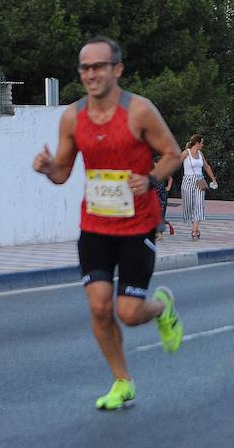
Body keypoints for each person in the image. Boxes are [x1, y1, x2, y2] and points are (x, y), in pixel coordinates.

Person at [32, 36, 183, 410]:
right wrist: (49, 168)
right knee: (100, 307)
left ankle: (162, 308)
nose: (90, 74)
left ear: (117, 69)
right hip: (95, 224)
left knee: (129, 313)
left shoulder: (139, 111)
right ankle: (122, 381)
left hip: (137, 224)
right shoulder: (73, 117)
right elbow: (64, 173)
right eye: (84, 67)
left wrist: (149, 179)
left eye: (98, 66)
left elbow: (172, 154)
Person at [181, 135, 217, 240]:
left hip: (200, 181)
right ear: (197, 143)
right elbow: (176, 163)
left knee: (199, 204)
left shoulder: (200, 154)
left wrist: (213, 179)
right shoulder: (186, 153)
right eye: (201, 142)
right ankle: (195, 227)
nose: (202, 144)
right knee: (190, 205)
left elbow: (206, 166)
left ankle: (194, 229)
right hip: (188, 180)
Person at [152, 155, 174, 243]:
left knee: (161, 212)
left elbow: (170, 178)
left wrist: (168, 187)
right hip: (154, 194)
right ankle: (156, 232)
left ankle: (159, 233)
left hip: (162, 194)